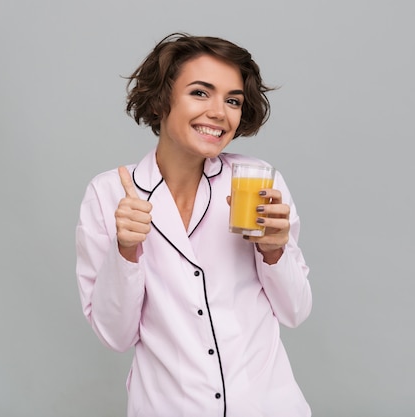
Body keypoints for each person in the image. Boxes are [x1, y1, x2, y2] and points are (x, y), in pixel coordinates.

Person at [75, 32, 313, 417]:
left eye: (233, 100)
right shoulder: (108, 194)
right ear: (161, 100)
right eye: (200, 93)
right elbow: (115, 335)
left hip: (266, 406)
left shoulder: (258, 182)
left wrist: (274, 252)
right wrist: (126, 251)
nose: (220, 112)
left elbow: (295, 312)